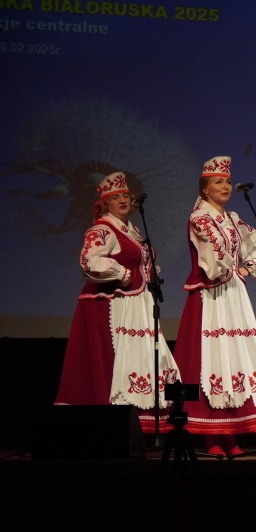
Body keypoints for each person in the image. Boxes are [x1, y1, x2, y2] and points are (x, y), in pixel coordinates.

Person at [54, 171, 181, 433]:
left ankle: (139, 425)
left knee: (142, 357)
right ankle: (117, 425)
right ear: (105, 204)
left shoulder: (132, 229)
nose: (123, 200)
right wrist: (122, 273)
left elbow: (140, 261)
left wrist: (149, 271)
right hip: (115, 304)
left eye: (125, 195)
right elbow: (89, 261)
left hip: (138, 304)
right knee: (120, 359)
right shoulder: (102, 229)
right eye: (116, 197)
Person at [172, 155, 256, 458]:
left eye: (228, 181)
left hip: (233, 294)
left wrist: (249, 266)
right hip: (211, 297)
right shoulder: (200, 218)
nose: (226, 186)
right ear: (204, 189)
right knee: (214, 359)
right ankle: (212, 434)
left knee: (235, 358)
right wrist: (232, 267)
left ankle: (232, 432)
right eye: (218, 182)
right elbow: (214, 260)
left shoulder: (232, 218)